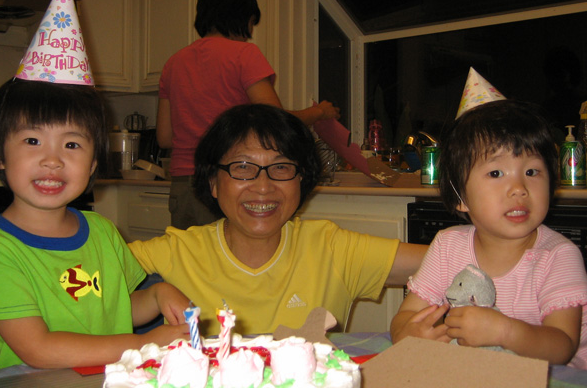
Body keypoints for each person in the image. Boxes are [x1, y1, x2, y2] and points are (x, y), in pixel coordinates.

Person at [130, 103, 427, 337]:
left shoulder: (330, 248)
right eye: (243, 167)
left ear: (302, 180)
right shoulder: (175, 252)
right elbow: (87, 278)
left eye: (281, 167)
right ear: (213, 182)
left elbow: (451, 260)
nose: (263, 186)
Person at [0, 79, 190, 371]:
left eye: (72, 144)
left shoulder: (102, 231)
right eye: (32, 141)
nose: (52, 160)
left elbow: (116, 308)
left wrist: (158, 295)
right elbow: (39, 350)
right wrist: (145, 344)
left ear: (93, 164)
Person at [390, 99, 587, 368]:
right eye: (496, 172)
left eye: (532, 171)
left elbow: (562, 346)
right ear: (460, 197)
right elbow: (408, 315)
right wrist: (407, 333)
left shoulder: (558, 256)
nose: (519, 188)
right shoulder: (447, 246)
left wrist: (506, 332)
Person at [156, 0, 340, 230]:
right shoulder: (244, 55)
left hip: (184, 187)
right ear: (240, 16)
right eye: (252, 23)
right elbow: (275, 122)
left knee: (188, 266)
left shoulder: (173, 64)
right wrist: (319, 112)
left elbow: (165, 138)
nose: (250, 33)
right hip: (229, 181)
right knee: (232, 267)